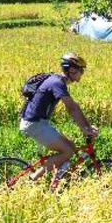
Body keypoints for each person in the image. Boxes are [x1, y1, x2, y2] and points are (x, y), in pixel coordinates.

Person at [19, 52, 98, 182]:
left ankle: (58, 178)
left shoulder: (58, 81)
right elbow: (71, 108)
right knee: (67, 152)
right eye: (80, 70)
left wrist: (87, 127)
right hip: (34, 124)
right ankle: (34, 178)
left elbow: (74, 106)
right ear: (71, 69)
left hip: (39, 123)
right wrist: (85, 129)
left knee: (72, 146)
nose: (82, 73)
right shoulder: (57, 83)